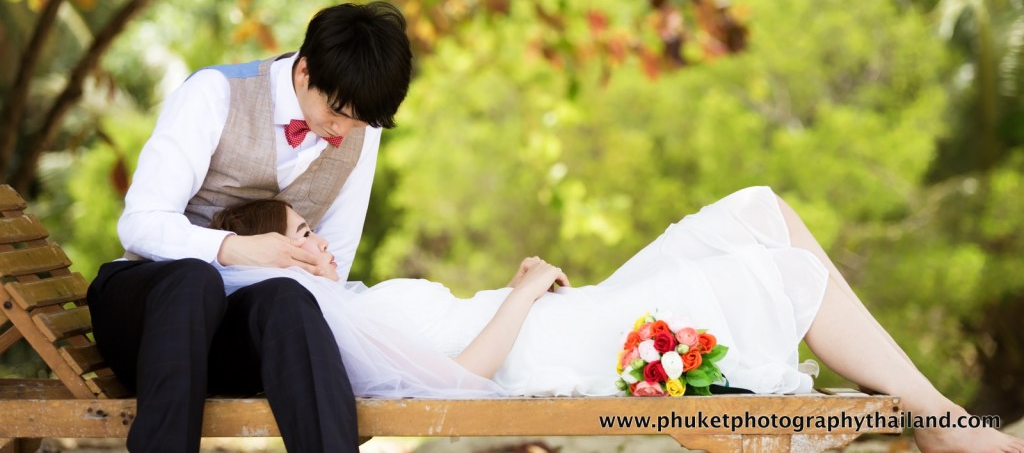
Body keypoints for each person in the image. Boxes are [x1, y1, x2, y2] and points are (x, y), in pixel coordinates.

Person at [210, 189, 1024, 453]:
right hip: (561, 343)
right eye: (300, 234)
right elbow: (458, 384)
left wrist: (527, 294)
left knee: (757, 209)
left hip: (571, 316)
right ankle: (953, 425)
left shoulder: (342, 305)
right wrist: (523, 292)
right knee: (779, 268)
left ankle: (941, 419)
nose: (317, 241)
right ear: (263, 252)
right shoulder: (322, 316)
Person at [86, 2, 414, 453]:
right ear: (304, 71)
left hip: (235, 339)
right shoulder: (213, 93)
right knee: (193, 279)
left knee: (292, 296)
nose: (344, 131)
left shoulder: (358, 128)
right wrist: (241, 250)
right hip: (147, 319)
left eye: (359, 121)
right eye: (337, 113)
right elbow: (140, 224)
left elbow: (333, 257)